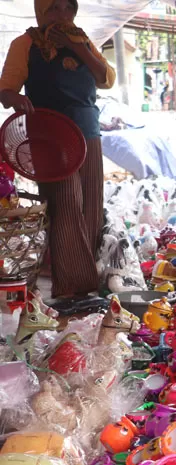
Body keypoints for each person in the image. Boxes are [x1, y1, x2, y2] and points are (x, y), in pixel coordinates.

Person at [0, 0, 115, 299]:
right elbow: (5, 90)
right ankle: (75, 288)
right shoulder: (24, 44)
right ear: (41, 12)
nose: (62, 15)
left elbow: (106, 79)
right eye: (54, 9)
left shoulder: (82, 39)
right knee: (65, 204)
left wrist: (77, 48)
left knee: (90, 203)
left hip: (88, 131)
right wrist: (16, 99)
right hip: (50, 135)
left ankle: (85, 279)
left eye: (68, 8)